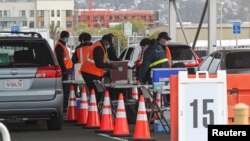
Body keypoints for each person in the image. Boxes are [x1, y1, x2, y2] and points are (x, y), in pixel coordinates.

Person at [81, 34, 115, 103]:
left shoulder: (100, 46)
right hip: (89, 72)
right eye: (109, 43)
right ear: (105, 41)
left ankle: (94, 109)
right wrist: (110, 65)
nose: (109, 45)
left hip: (91, 72)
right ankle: (93, 109)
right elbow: (99, 64)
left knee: (97, 92)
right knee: (96, 93)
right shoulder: (98, 48)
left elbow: (101, 61)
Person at [54, 30, 73, 110]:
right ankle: (64, 106)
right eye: (67, 37)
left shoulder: (62, 45)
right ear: (65, 37)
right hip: (64, 70)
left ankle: (65, 105)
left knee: (66, 88)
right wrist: (64, 70)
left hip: (67, 69)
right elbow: (60, 60)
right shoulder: (59, 46)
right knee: (65, 88)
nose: (68, 39)